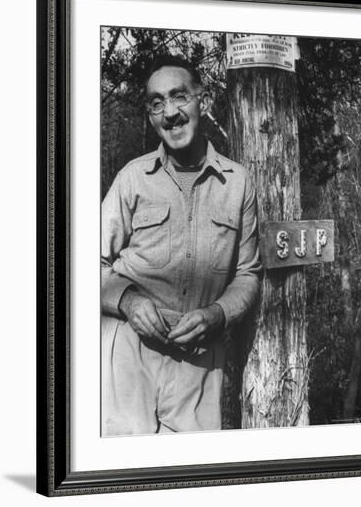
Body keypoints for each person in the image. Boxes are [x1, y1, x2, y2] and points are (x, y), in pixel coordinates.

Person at [101, 54, 261, 436]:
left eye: (179, 96)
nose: (169, 112)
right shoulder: (132, 179)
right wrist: (128, 301)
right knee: (120, 477)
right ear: (150, 114)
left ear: (201, 100)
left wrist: (218, 315)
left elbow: (248, 274)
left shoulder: (237, 183)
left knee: (190, 478)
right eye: (157, 103)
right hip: (129, 354)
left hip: (199, 363)